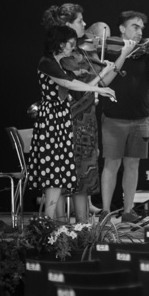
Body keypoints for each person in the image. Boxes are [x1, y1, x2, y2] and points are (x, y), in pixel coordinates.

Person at [33, 24, 116, 220]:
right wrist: (101, 90)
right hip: (51, 120)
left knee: (58, 172)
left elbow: (81, 89)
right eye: (70, 43)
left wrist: (103, 74)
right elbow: (67, 83)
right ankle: (49, 221)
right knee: (53, 172)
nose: (73, 47)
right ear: (60, 44)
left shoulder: (61, 64)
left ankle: (49, 220)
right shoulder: (47, 62)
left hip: (62, 120)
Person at [98, 11, 149, 223]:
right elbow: (104, 81)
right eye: (135, 26)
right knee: (111, 164)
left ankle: (128, 210)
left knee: (132, 165)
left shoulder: (147, 53)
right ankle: (105, 210)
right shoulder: (109, 50)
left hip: (140, 117)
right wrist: (124, 53)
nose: (140, 32)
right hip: (114, 117)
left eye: (141, 28)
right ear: (122, 29)